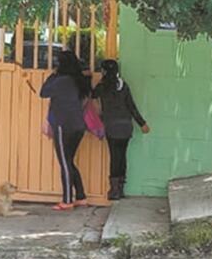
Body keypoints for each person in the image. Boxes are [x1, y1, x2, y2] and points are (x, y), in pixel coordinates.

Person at [40, 50, 92, 210]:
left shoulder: (60, 80)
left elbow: (43, 92)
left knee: (64, 163)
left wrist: (53, 75)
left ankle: (68, 200)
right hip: (78, 126)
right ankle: (81, 197)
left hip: (63, 125)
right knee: (69, 161)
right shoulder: (80, 80)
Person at [93, 59, 149, 201]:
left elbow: (91, 96)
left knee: (114, 157)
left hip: (111, 127)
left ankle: (114, 190)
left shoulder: (102, 87)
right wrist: (142, 123)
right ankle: (121, 188)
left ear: (104, 71)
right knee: (122, 156)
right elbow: (131, 106)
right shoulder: (123, 86)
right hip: (125, 126)